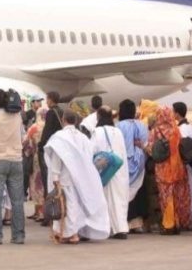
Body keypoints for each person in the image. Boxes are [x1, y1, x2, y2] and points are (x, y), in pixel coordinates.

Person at [44, 110, 110, 244]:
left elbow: (57, 157)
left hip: (65, 178)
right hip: (82, 177)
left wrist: (55, 176)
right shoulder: (83, 137)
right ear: (75, 121)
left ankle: (71, 234)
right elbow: (90, 155)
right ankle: (67, 232)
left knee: (67, 206)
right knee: (76, 205)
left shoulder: (59, 137)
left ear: (63, 120)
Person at [0, 88, 25, 245]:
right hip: (16, 161)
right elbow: (22, 134)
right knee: (17, 201)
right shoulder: (17, 116)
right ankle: (18, 235)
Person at [147, 107, 191, 235]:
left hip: (163, 169)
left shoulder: (156, 130)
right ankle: (177, 223)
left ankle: (168, 224)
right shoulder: (176, 130)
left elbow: (151, 149)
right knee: (176, 196)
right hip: (177, 168)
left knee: (166, 197)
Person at [91, 106, 130, 239]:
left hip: (106, 170)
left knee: (106, 199)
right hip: (119, 170)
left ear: (99, 116)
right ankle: (121, 228)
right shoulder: (118, 131)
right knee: (119, 199)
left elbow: (92, 150)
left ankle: (108, 228)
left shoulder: (97, 131)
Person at [117, 100, 150, 234]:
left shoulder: (119, 126)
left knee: (123, 193)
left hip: (124, 164)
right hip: (140, 163)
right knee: (138, 192)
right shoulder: (142, 125)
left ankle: (125, 222)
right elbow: (146, 143)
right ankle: (137, 223)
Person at [37, 91, 64, 200]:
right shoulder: (62, 111)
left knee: (49, 176)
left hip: (52, 147)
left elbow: (47, 131)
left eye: (47, 99)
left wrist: (41, 145)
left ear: (51, 100)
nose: (46, 102)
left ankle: (50, 200)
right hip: (61, 146)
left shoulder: (51, 112)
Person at [25, 108, 48, 223]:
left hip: (35, 159)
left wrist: (28, 153)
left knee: (35, 184)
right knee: (44, 184)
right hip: (47, 158)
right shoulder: (49, 126)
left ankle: (40, 212)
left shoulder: (34, 127)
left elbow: (26, 142)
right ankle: (39, 211)